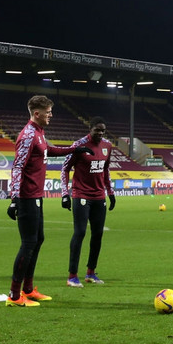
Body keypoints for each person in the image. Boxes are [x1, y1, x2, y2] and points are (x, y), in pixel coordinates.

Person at [6, 95, 77, 307]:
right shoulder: (28, 135)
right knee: (28, 243)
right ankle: (14, 294)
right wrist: (14, 199)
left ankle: (28, 289)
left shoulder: (39, 133)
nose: (51, 115)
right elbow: (17, 166)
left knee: (37, 240)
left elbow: (50, 150)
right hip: (26, 197)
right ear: (37, 113)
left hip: (36, 196)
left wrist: (75, 149)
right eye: (48, 112)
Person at [60, 116, 113, 287]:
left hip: (99, 196)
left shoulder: (107, 146)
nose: (100, 133)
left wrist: (110, 192)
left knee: (97, 235)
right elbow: (65, 168)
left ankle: (91, 273)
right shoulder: (79, 145)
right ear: (90, 129)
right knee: (80, 232)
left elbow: (106, 170)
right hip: (81, 195)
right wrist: (64, 193)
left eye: (102, 131)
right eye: (97, 130)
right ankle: (72, 276)